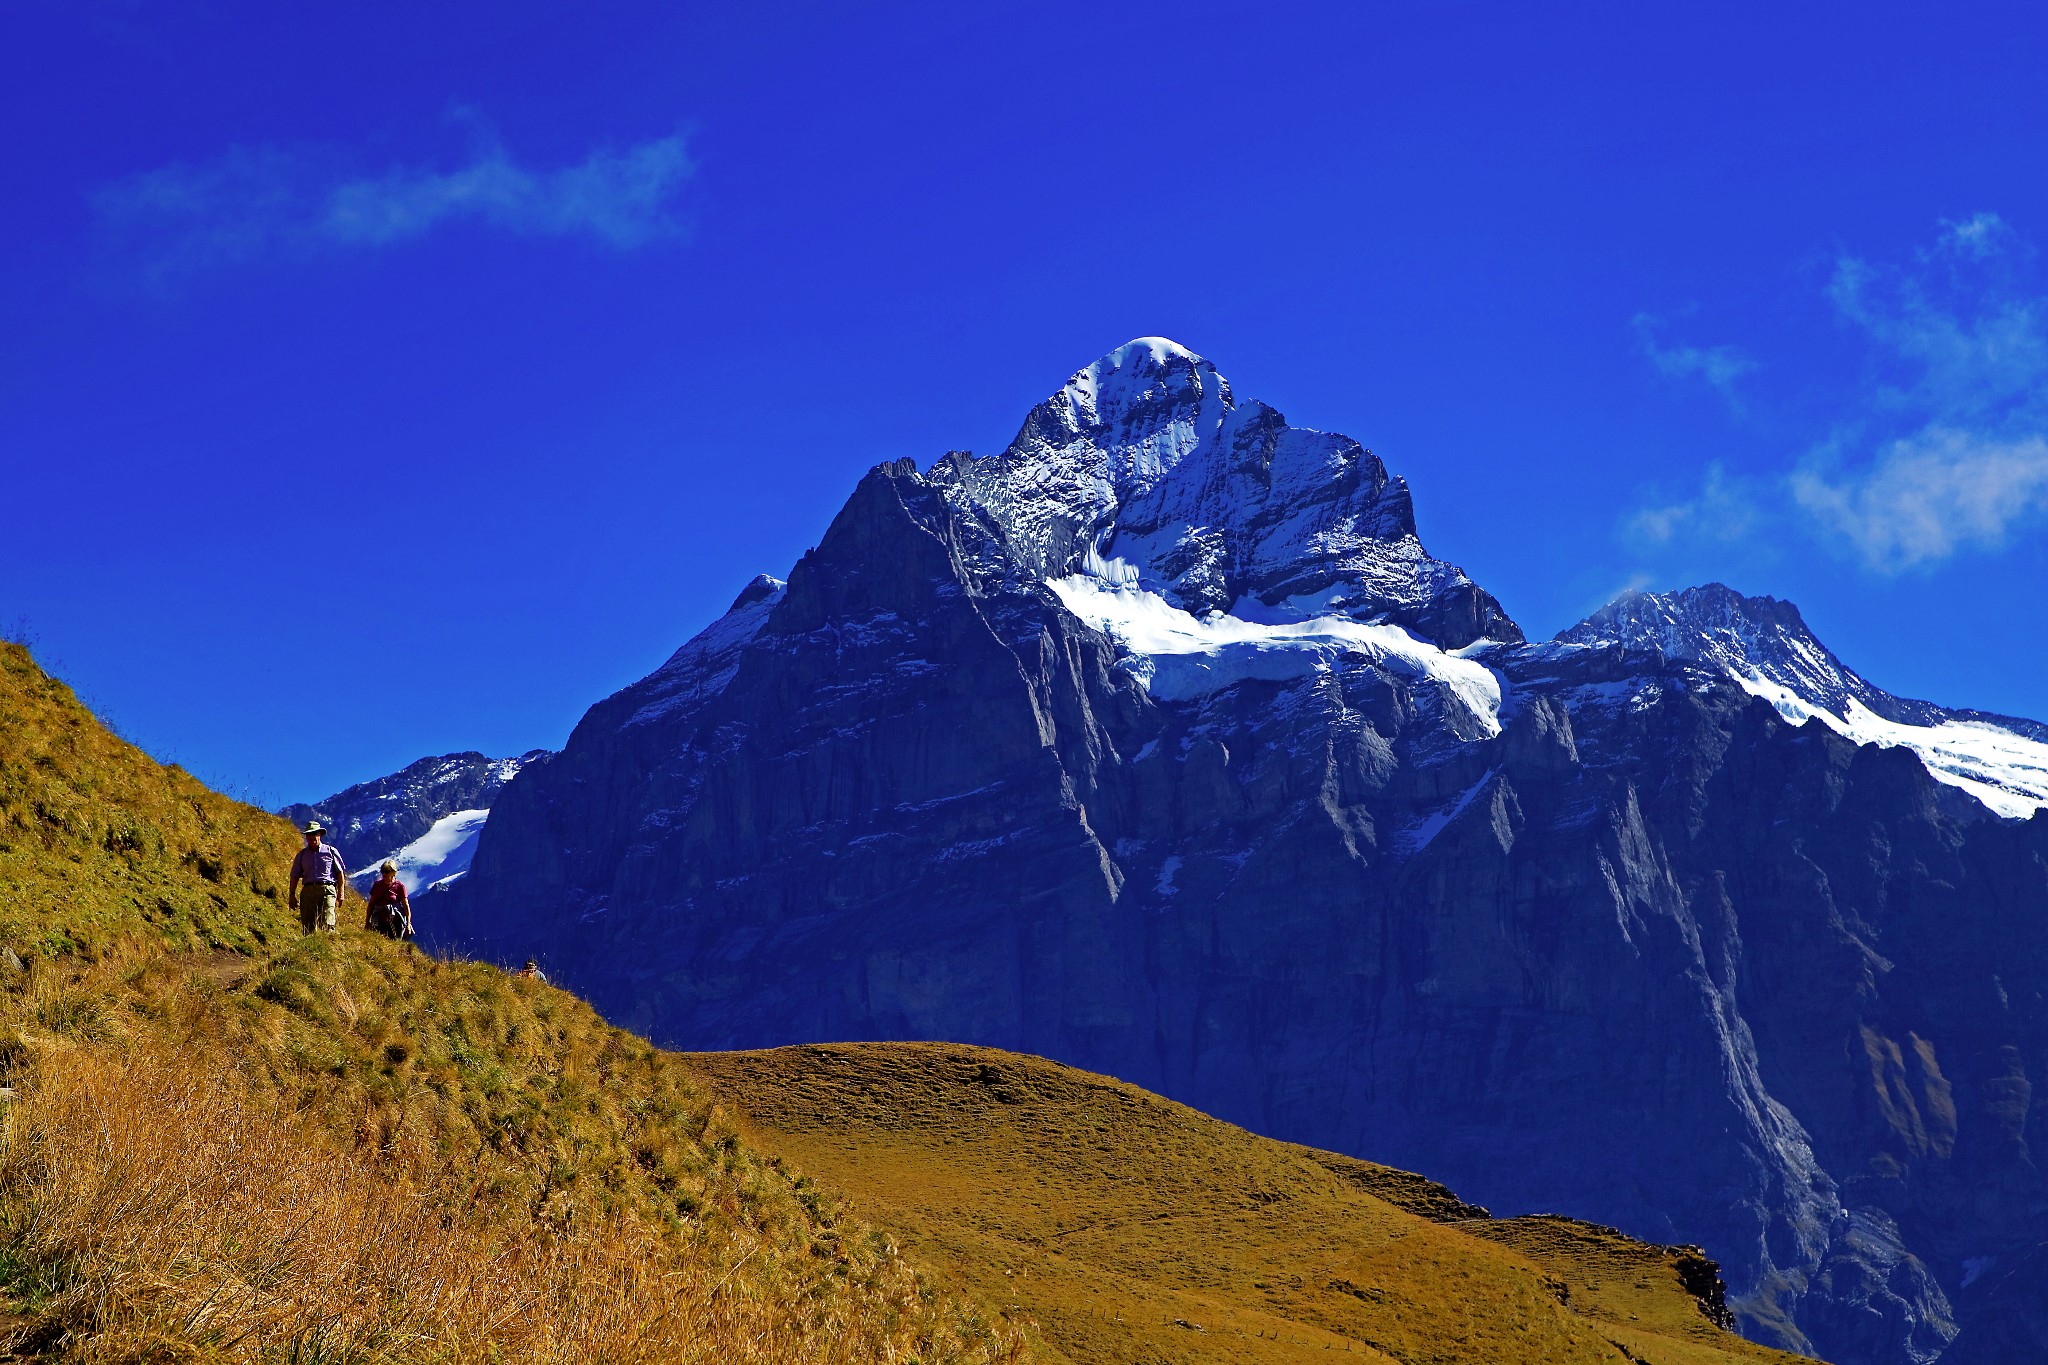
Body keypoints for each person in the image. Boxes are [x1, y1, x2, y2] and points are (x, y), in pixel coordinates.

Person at [287, 822, 348, 934]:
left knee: (328, 921)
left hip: (327, 890)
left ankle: (329, 946)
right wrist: (292, 894)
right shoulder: (301, 855)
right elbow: (294, 876)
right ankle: (311, 949)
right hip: (308, 892)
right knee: (308, 925)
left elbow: (340, 873)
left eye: (314, 833)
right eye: (309, 834)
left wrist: (341, 892)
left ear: (319, 834)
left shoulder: (330, 851)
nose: (312, 837)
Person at [365, 860, 413, 940]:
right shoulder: (377, 885)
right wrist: (367, 921)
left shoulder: (400, 887)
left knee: (394, 942)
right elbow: (371, 904)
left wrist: (408, 924)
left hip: (395, 921)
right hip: (379, 920)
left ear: (393, 872)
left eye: (387, 871)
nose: (384, 874)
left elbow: (406, 906)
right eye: (382, 871)